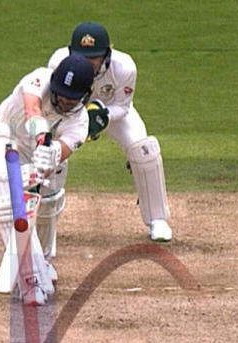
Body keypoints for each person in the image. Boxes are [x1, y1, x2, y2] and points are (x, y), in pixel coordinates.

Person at [48, 22, 174, 244]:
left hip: (110, 112)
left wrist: (101, 114)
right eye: (81, 56)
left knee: (144, 149)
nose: (88, 63)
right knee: (51, 153)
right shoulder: (59, 62)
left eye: (93, 57)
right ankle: (47, 221)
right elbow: (54, 99)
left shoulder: (124, 67)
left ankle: (158, 219)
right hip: (70, 113)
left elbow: (123, 107)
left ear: (107, 54)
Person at [0, 53, 95, 302]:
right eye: (61, 95)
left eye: (72, 99)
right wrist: (42, 136)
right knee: (4, 191)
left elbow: (64, 150)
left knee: (47, 204)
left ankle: (43, 262)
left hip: (45, 152)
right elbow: (31, 108)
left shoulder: (80, 123)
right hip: (7, 134)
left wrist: (51, 156)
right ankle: (31, 279)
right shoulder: (38, 79)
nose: (64, 102)